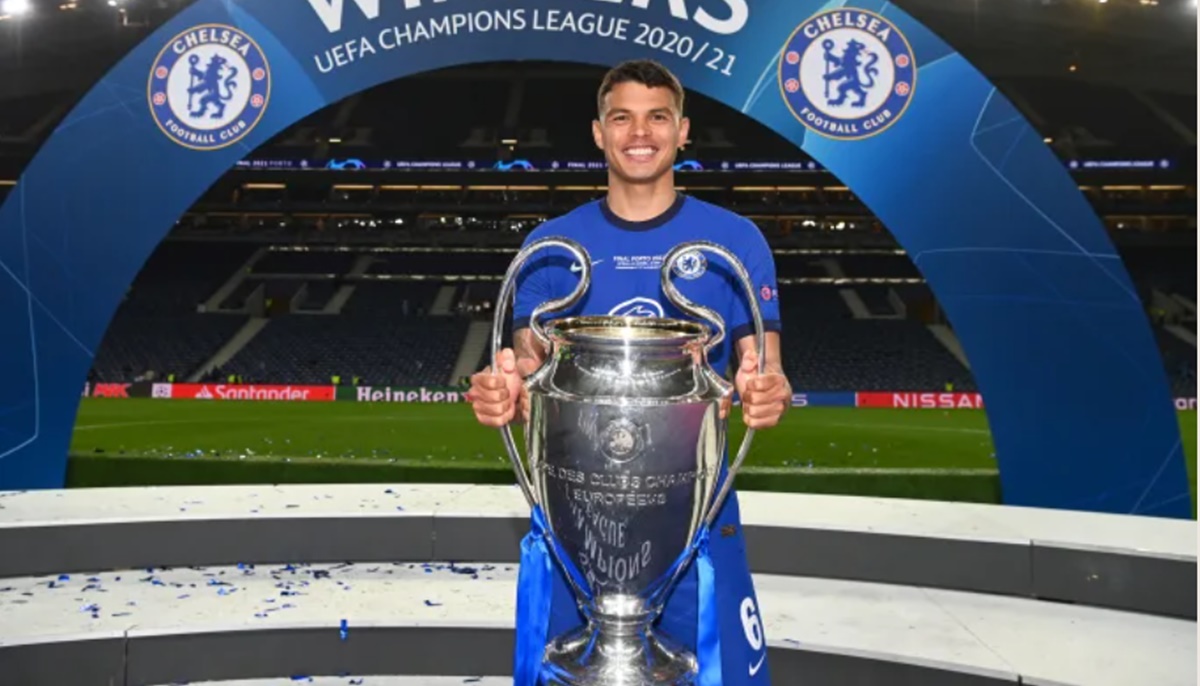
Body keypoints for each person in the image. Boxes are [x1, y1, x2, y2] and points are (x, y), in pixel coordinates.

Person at [467, 59, 791, 685]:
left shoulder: (735, 239)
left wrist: (765, 389)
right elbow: (529, 365)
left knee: (718, 674)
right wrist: (507, 386)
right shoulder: (552, 245)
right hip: (577, 517)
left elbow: (765, 365)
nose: (640, 133)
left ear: (683, 131)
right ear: (599, 132)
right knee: (571, 672)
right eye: (622, 118)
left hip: (694, 512)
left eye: (657, 117)